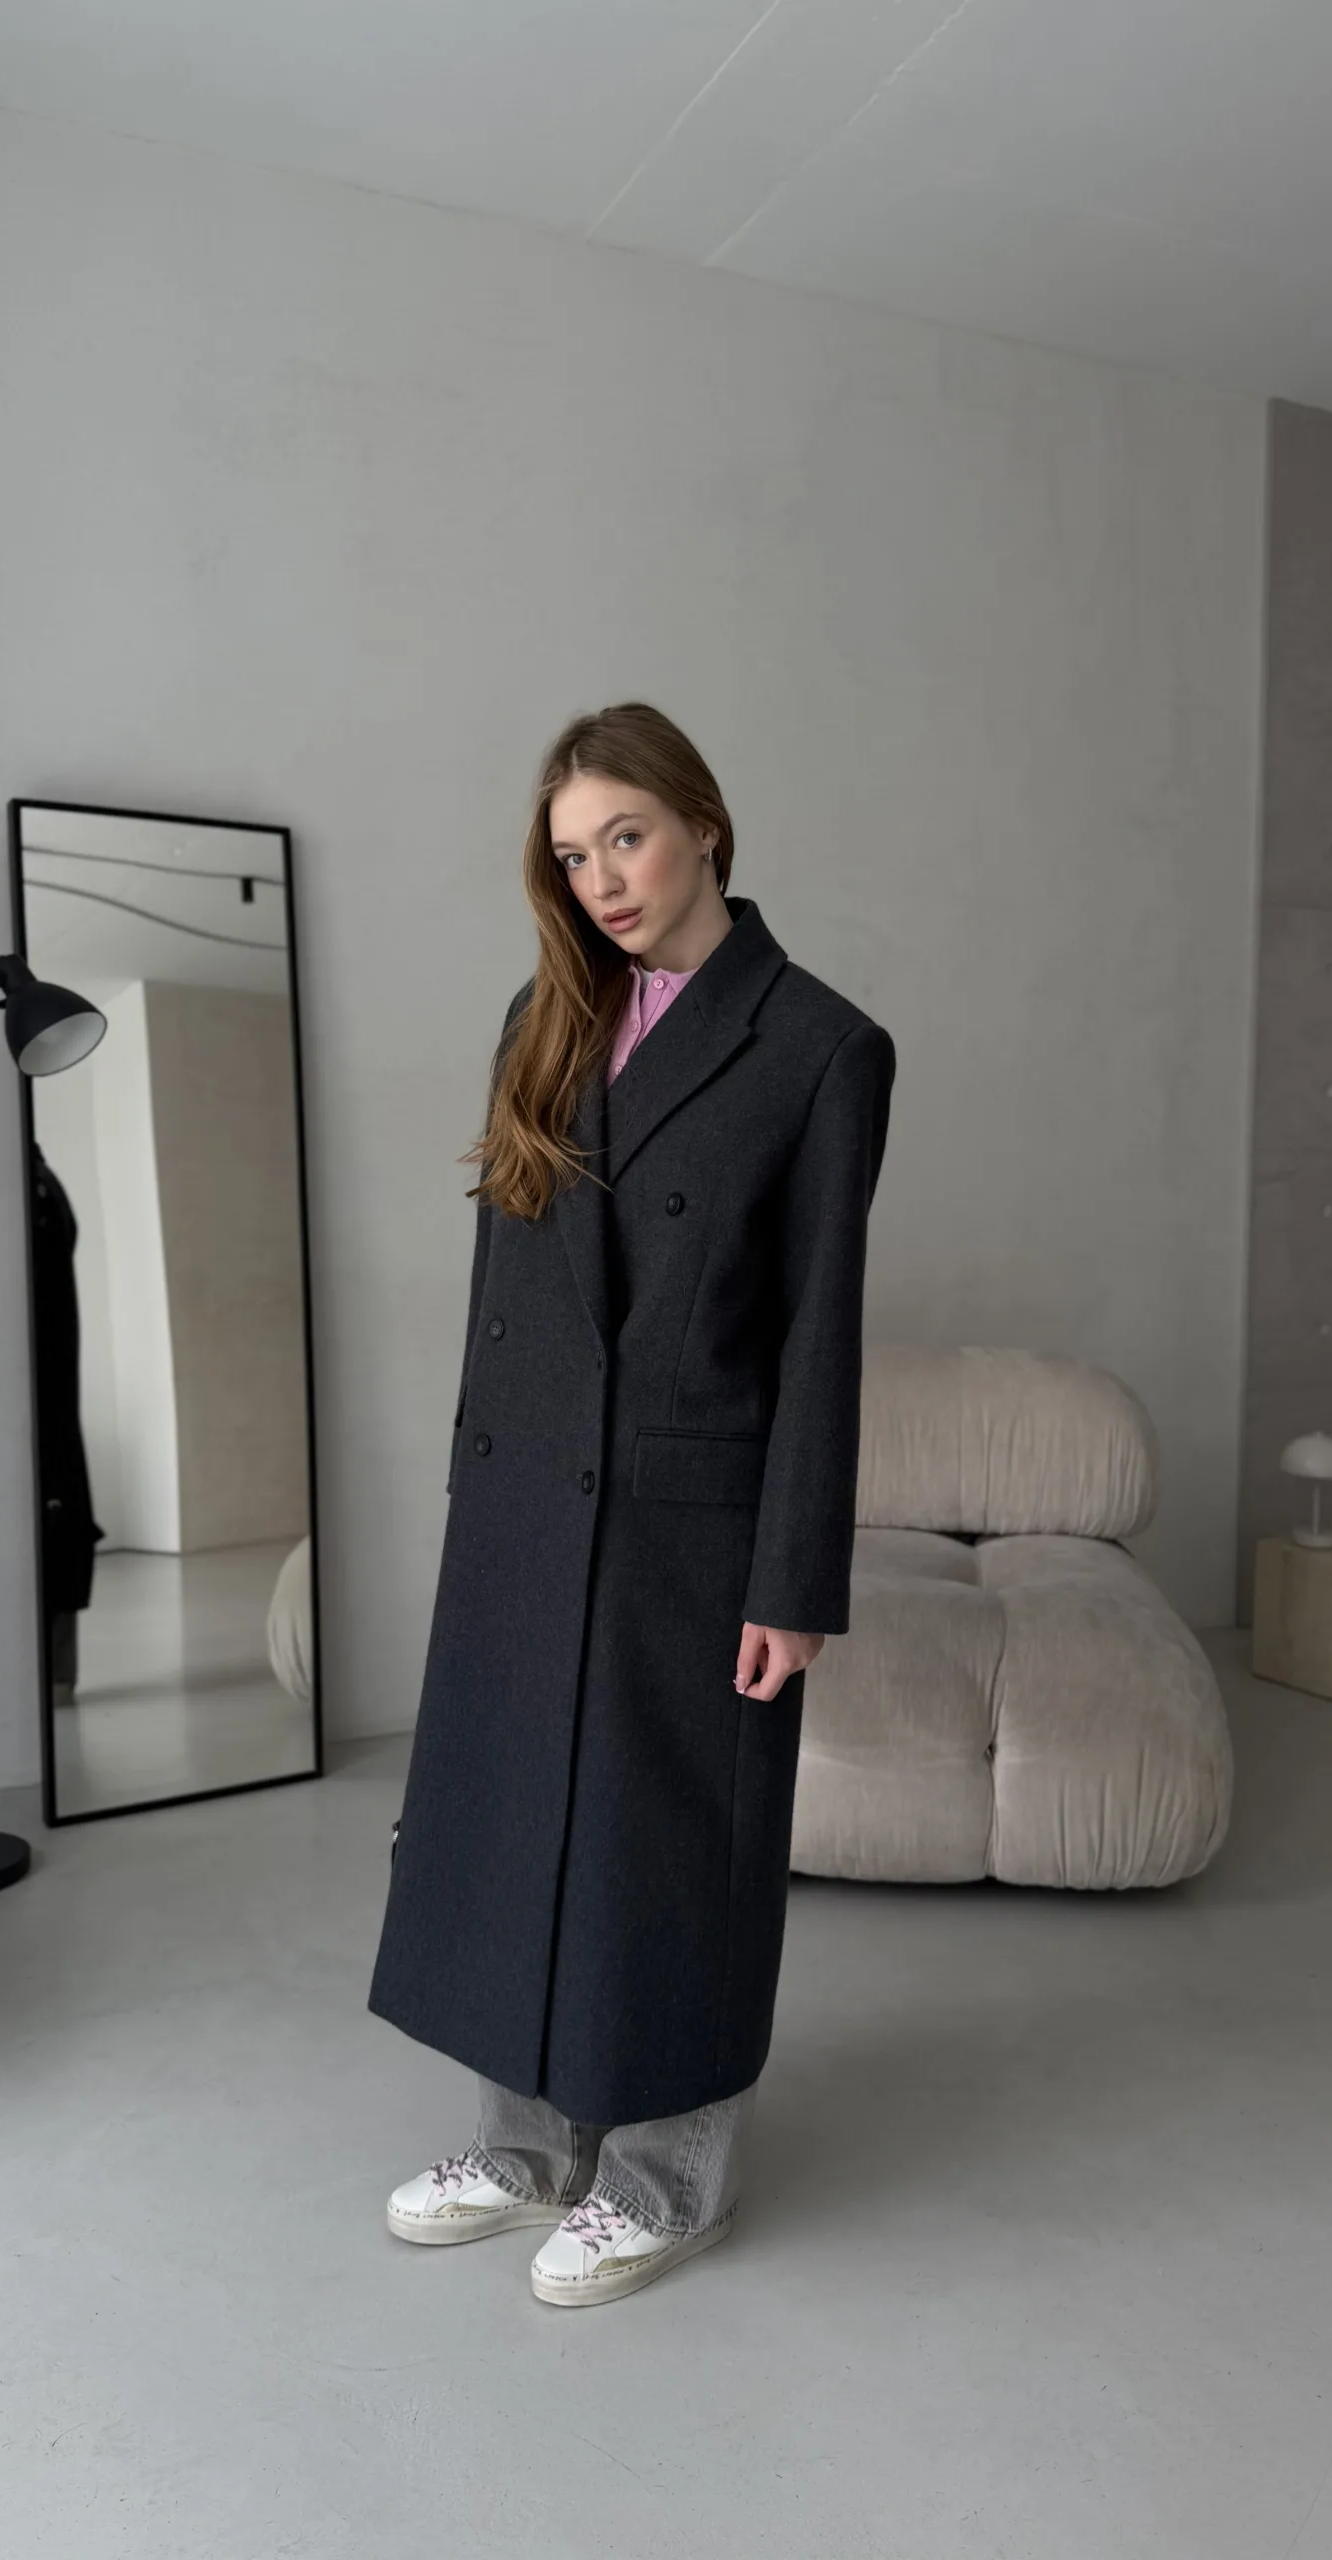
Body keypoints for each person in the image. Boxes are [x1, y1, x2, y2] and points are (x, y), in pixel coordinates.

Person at [368, 701, 896, 2308]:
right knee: (515, 1816)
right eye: (573, 852)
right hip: (528, 1496)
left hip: (690, 1521)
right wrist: (474, 1488)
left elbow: (818, 1332)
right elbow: (503, 1277)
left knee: (667, 1848)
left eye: (628, 837)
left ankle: (668, 2178)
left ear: (703, 826)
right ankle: (529, 2147)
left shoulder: (820, 1047)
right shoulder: (541, 1016)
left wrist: (793, 1579)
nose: (602, 878)